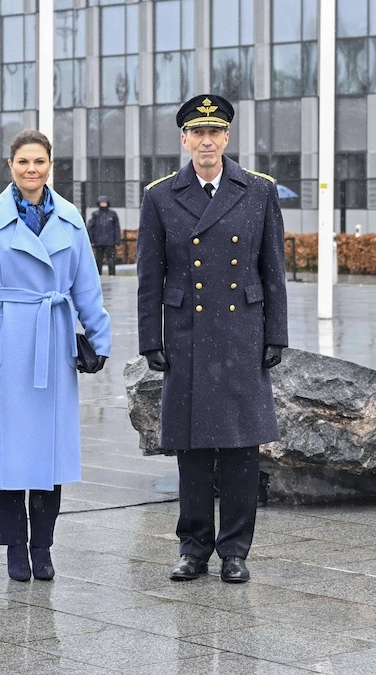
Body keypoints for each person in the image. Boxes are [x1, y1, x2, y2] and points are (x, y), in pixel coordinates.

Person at [136, 94, 288, 585]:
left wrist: (276, 333)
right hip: (188, 334)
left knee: (243, 449)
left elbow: (273, 270)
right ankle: (194, 547)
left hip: (242, 331)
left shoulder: (259, 191)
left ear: (226, 138)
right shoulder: (160, 195)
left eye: (215, 132)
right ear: (184, 140)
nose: (206, 141)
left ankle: (236, 551)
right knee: (193, 449)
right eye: (197, 133)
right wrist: (149, 339)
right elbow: (150, 276)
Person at [0, 130, 111, 582]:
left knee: (49, 455)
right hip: (6, 342)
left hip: (53, 341)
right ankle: (14, 549)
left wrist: (98, 339)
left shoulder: (70, 218)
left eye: (39, 161)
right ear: (10, 166)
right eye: (23, 161)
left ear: (50, 165)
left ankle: (43, 546)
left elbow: (86, 283)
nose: (31, 169)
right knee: (8, 456)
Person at [87, 195, 122, 276]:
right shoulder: (95, 214)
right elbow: (90, 227)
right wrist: (91, 240)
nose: (103, 204)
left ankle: (112, 275)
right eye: (101, 202)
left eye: (104, 202)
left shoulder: (112, 214)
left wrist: (117, 240)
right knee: (98, 260)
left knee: (111, 260)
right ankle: (98, 275)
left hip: (110, 241)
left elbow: (117, 227)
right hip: (98, 241)